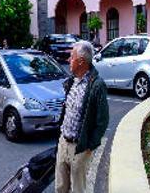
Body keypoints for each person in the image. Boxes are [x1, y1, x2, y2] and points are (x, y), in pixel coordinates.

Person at [55, 40, 109, 193]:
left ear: (80, 61)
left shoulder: (96, 85)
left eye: (71, 57)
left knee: (78, 189)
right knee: (60, 187)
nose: (68, 60)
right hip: (63, 142)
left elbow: (102, 121)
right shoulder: (71, 81)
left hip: (80, 148)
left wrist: (90, 146)